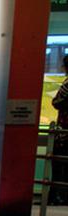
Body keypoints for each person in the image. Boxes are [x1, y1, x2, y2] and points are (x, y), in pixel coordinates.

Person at [49, 54, 68, 205]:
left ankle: (57, 196)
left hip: (64, 133)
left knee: (59, 165)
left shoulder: (67, 85)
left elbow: (56, 102)